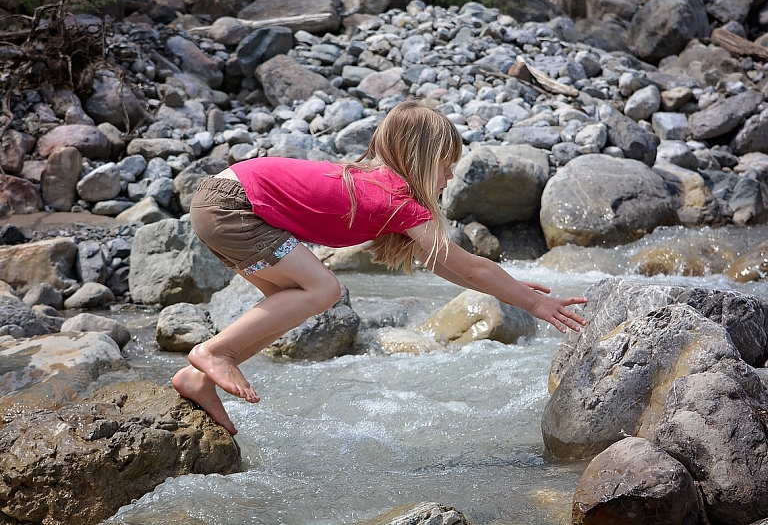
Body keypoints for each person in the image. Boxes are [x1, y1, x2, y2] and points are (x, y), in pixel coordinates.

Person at [172, 100, 587, 435]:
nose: (449, 176)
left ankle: (198, 378)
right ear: (421, 160)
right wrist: (534, 305)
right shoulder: (394, 197)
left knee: (290, 301)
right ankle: (214, 352)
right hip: (234, 204)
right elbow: (472, 268)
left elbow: (445, 265)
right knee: (323, 290)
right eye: (445, 165)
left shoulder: (381, 188)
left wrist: (511, 287)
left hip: (224, 201)